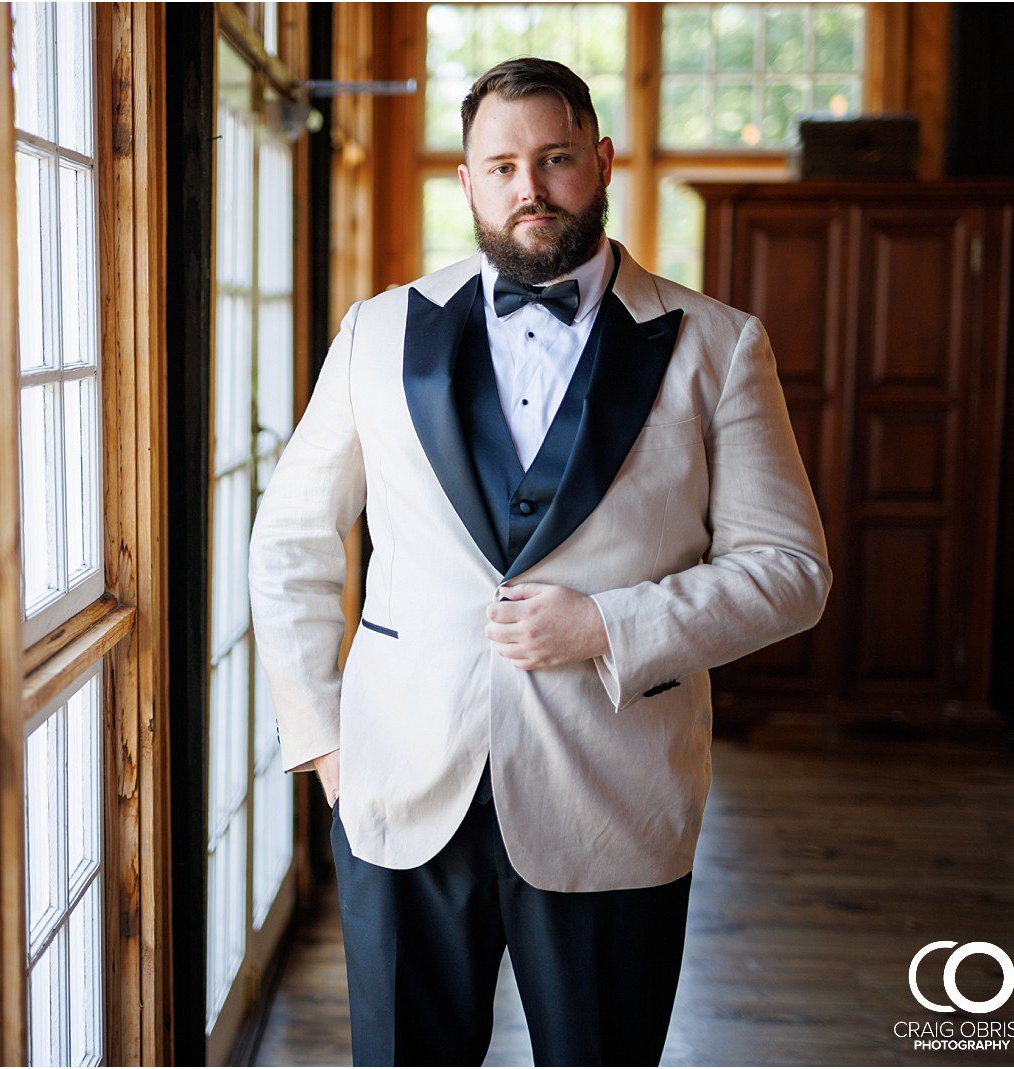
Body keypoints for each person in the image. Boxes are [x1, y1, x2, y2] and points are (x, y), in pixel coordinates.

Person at [248, 57, 831, 1067]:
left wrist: (611, 625)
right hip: (398, 787)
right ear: (465, 182)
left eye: (554, 159)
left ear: (598, 162)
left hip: (610, 792)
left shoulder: (718, 345)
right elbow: (288, 539)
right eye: (501, 164)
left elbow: (789, 569)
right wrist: (322, 744)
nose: (529, 187)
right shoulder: (377, 332)